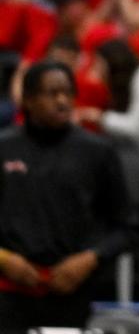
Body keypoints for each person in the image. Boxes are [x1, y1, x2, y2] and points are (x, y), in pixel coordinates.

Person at [0, 61, 130, 327]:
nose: (62, 101)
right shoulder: (3, 148)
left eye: (68, 93)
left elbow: (128, 227)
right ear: (28, 100)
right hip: (8, 292)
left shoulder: (98, 152)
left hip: (73, 293)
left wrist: (90, 258)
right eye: (51, 93)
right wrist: (3, 259)